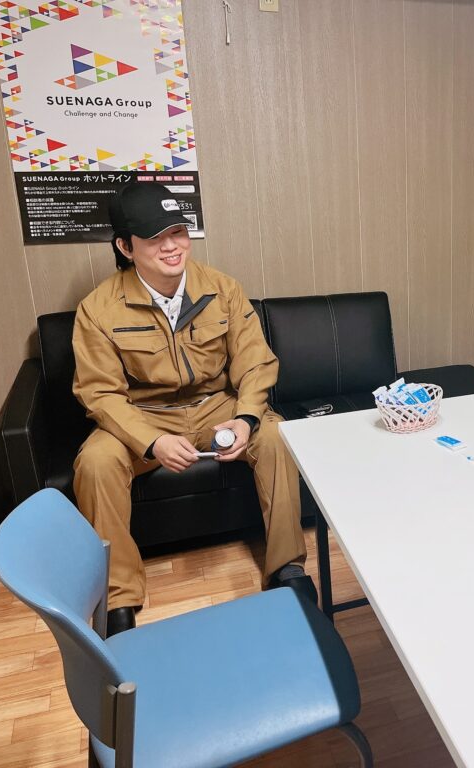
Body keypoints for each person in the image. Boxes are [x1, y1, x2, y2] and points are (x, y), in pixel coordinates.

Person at [72, 182, 315, 636]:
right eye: (154, 237)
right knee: (96, 461)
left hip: (216, 406)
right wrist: (152, 441)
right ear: (125, 247)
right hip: (144, 415)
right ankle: (118, 598)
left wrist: (246, 418)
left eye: (178, 231)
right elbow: (100, 394)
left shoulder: (222, 288)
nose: (172, 246)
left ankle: (288, 567)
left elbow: (256, 363)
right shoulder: (98, 309)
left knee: (276, 435)